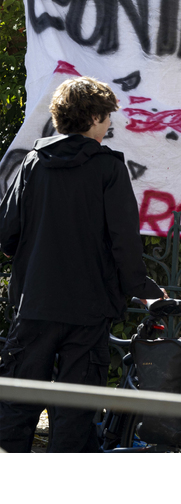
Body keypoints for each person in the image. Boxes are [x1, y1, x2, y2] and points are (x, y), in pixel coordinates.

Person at [0, 76, 163, 453]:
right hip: (87, 311)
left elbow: (8, 233)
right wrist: (142, 289)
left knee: (17, 402)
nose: (109, 125)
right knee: (75, 410)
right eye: (106, 117)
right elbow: (124, 242)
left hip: (34, 304)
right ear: (92, 117)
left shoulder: (32, 164)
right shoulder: (109, 169)